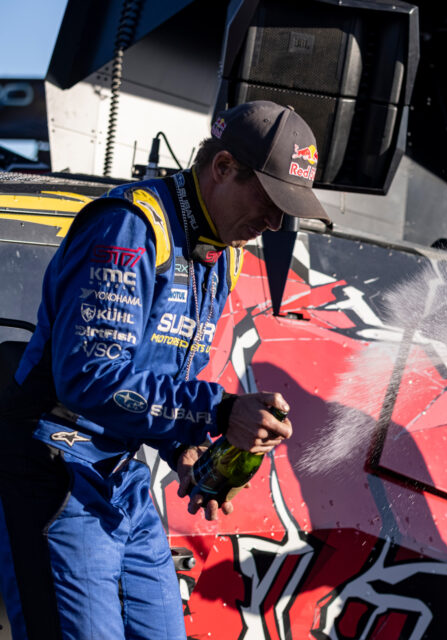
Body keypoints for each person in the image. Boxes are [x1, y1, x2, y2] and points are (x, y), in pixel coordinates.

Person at [0, 100, 330, 639]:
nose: (274, 222)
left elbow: (161, 381)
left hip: (121, 477)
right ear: (222, 168)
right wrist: (220, 410)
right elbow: (89, 379)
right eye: (269, 200)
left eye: (285, 211)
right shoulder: (128, 227)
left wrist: (185, 448)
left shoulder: (223, 250)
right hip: (55, 464)